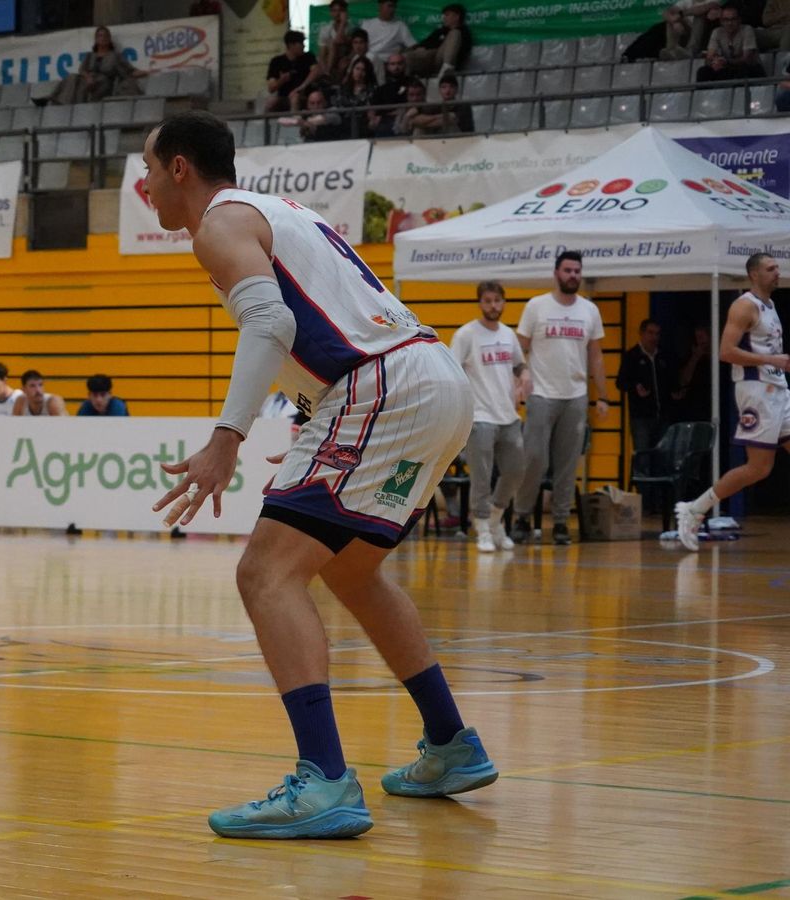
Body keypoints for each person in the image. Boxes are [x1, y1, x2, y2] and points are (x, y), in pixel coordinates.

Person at [140, 110, 493, 840]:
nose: (144, 186)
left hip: (383, 385)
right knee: (353, 572)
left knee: (264, 574)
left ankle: (326, 780)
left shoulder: (219, 223)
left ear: (180, 168)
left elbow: (269, 324)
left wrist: (225, 439)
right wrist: (319, 421)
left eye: (148, 171)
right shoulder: (274, 212)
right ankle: (451, 744)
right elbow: (323, 317)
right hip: (427, 382)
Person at [676, 253, 789, 549]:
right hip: (756, 390)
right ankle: (695, 508)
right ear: (754, 274)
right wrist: (771, 359)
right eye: (770, 268)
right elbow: (725, 352)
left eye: (777, 267)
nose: (777, 272)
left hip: (778, 388)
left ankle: (696, 507)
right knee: (758, 468)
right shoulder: (743, 306)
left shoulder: (770, 305)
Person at [512, 251, 611, 546]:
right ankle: (522, 516)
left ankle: (559, 523)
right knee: (534, 459)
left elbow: (595, 356)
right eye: (568, 270)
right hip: (541, 394)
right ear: (556, 273)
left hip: (576, 396)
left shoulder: (589, 311)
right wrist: (520, 381)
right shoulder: (536, 306)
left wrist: (603, 396)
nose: (573, 276)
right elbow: (520, 350)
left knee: (568, 464)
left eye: (577, 271)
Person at [450, 282, 530, 552]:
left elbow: (519, 364)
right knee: (481, 476)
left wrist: (524, 376)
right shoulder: (466, 334)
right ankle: (483, 528)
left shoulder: (508, 334)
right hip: (480, 416)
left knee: (516, 470)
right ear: (480, 303)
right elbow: (452, 370)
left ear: (504, 302)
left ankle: (496, 518)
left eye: (498, 300)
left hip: (508, 415)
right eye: (488, 301)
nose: (493, 306)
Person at [617, 319, 676, 455]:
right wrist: (635, 387)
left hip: (663, 415)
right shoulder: (631, 356)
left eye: (657, 334)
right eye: (650, 333)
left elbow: (670, 380)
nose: (654, 337)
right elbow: (620, 382)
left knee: (662, 455)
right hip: (641, 417)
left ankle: (660, 477)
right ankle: (640, 477)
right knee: (642, 455)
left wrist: (675, 392)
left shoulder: (663, 356)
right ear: (641, 334)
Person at [52, 26, 147, 105]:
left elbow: (129, 71)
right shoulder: (90, 55)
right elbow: (82, 70)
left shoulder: (115, 56)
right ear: (96, 39)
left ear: (109, 39)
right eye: (100, 36)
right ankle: (56, 100)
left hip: (103, 83)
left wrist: (147, 72)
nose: (103, 38)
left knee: (89, 84)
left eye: (106, 36)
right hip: (88, 80)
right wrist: (88, 77)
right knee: (72, 77)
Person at [697, 4, 764, 80]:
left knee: (743, 69)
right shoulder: (717, 32)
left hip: (750, 69)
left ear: (739, 20)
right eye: (726, 20)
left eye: (733, 19)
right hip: (728, 68)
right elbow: (709, 57)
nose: (729, 23)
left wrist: (726, 62)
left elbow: (747, 59)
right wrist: (715, 62)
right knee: (703, 71)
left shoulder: (747, 30)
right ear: (721, 21)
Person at [405, 3, 472, 77]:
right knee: (407, 55)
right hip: (430, 60)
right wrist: (419, 48)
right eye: (444, 16)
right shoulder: (440, 30)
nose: (444, 18)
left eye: (447, 15)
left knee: (455, 33)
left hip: (445, 61)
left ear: (457, 16)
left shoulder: (463, 32)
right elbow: (426, 42)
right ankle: (404, 82)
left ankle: (447, 68)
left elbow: (462, 53)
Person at [265, 30, 319, 113]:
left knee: (295, 98)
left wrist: (301, 87)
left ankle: (294, 123)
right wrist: (281, 80)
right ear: (291, 45)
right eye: (301, 43)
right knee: (270, 102)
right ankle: (266, 125)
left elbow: (316, 71)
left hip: (304, 96)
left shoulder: (308, 57)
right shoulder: (276, 61)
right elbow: (271, 88)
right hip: (284, 97)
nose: (303, 46)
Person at [369, 52, 414, 136]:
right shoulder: (381, 89)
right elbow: (372, 108)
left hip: (402, 119)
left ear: (404, 65)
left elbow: (414, 103)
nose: (396, 67)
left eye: (399, 64)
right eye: (392, 64)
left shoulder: (413, 83)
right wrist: (372, 118)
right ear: (387, 67)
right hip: (382, 122)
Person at [362, 0, 417, 66]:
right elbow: (358, 45)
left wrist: (401, 55)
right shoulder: (367, 24)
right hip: (368, 61)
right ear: (380, 6)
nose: (392, 10)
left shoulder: (400, 26)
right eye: (389, 6)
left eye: (394, 7)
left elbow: (412, 46)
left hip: (389, 64)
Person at [333, 57, 379, 135]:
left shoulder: (373, 89)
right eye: (357, 69)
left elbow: (370, 108)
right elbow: (338, 105)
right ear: (352, 70)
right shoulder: (343, 88)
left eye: (363, 70)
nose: (359, 73)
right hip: (343, 120)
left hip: (362, 122)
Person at [319, 0, 357, 81]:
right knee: (317, 68)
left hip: (346, 57)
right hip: (330, 59)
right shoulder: (325, 29)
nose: (338, 13)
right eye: (334, 11)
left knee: (333, 43)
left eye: (341, 10)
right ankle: (327, 74)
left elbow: (338, 40)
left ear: (345, 12)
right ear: (331, 13)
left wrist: (343, 22)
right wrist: (324, 68)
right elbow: (322, 55)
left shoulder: (352, 28)